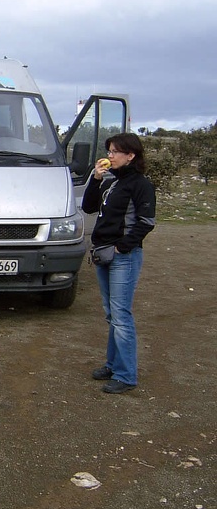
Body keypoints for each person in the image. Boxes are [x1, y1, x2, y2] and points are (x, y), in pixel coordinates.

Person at [82, 133, 156, 395]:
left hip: (123, 256)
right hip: (104, 254)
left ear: (130, 156)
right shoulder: (111, 181)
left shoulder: (140, 185)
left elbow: (146, 222)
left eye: (115, 152)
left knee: (121, 315)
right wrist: (96, 178)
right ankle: (113, 365)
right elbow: (89, 207)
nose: (110, 156)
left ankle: (126, 375)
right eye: (109, 151)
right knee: (112, 314)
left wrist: (121, 247)